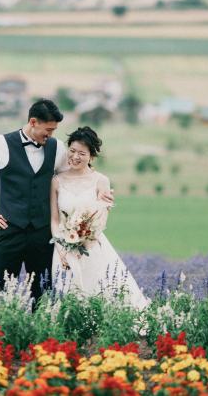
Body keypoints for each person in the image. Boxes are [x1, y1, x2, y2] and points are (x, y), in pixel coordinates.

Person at [0, 99, 112, 304]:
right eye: (49, 129)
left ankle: (41, 336)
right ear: (33, 122)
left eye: (54, 130)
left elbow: (70, 179)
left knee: (43, 294)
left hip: (43, 235)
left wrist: (98, 190)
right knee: (0, 291)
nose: (51, 135)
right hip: (9, 230)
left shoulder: (57, 147)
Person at [50, 126, 148, 310]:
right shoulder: (56, 181)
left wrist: (82, 244)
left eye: (82, 153)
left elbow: (101, 219)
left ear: (91, 156)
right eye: (72, 151)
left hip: (92, 246)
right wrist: (62, 249)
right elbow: (55, 220)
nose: (75, 157)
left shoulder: (100, 180)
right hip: (63, 249)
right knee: (66, 300)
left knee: (100, 294)